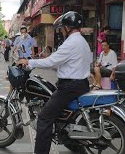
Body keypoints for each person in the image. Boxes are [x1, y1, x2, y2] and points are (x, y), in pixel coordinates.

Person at [17, 11, 92, 154]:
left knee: (44, 118)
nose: (61, 31)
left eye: (62, 28)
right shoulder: (82, 41)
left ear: (67, 27)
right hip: (80, 84)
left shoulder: (71, 42)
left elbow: (52, 61)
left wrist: (29, 62)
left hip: (69, 87)